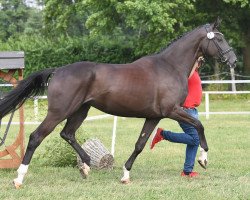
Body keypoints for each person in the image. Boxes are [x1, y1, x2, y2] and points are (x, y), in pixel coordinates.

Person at [150, 56, 204, 177]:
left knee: (193, 141)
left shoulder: (195, 71)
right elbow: (187, 77)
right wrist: (194, 61)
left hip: (193, 110)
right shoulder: (186, 72)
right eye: (197, 61)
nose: (199, 63)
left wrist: (198, 62)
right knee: (195, 139)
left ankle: (187, 172)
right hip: (185, 110)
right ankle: (162, 134)